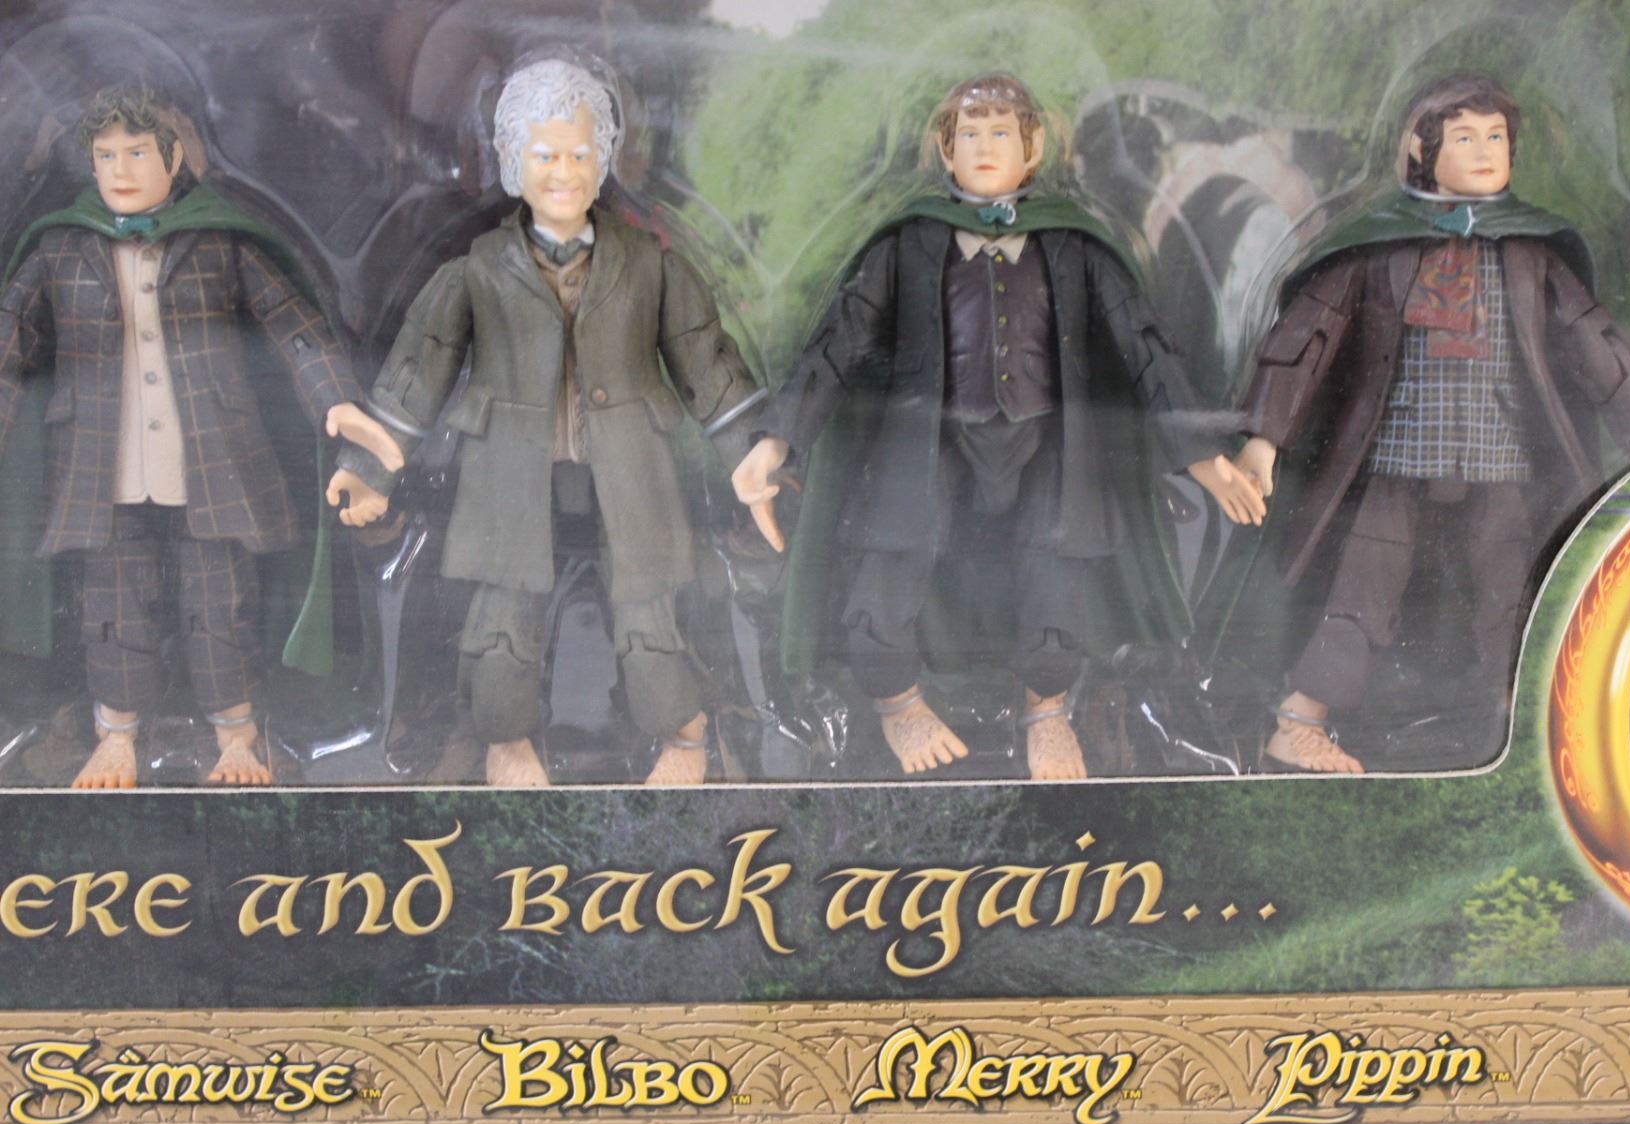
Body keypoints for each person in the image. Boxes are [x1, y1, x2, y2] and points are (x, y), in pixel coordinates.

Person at [732, 73, 1260, 780]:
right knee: (892, 552)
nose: (985, 147)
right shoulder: (909, 242)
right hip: (932, 443)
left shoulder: (1073, 243)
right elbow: (839, 340)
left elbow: (1143, 347)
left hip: (1047, 444)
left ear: (1032, 149)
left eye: (1001, 133)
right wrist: (776, 438)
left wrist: (1201, 451)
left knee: (1059, 557)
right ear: (945, 151)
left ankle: (1046, 709)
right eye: (970, 134)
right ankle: (897, 702)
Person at [1224, 73, 1630, 773]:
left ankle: (1529, 723)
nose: (1486, 150)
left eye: (1496, 136)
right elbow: (1306, 339)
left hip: (1500, 457)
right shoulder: (1377, 247)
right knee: (1363, 594)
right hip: (1398, 457)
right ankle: (1299, 720)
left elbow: (1598, 348)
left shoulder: (1529, 250)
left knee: (1514, 596)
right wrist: (1262, 439)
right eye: (1465, 138)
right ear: (1419, 148)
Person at [331, 56, 762, 787]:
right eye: (545, 155)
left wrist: (751, 454)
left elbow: (706, 360)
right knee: (501, 622)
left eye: (580, 154)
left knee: (650, 614)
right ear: (509, 159)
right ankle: (505, 740)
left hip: (629, 468)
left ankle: (684, 734)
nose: (564, 172)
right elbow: (416, 372)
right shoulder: (476, 270)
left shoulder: (649, 265)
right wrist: (369, 468)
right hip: (510, 473)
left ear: (605, 158)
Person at [0, 84, 401, 788]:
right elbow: (10, 341)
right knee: (112, 612)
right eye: (106, 156)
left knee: (221, 608)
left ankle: (237, 737)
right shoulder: (61, 246)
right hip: (102, 470)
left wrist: (338, 401)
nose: (121, 170)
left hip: (213, 463)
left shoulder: (221, 242)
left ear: (173, 157)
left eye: (137, 153)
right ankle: (116, 735)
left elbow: (292, 323)